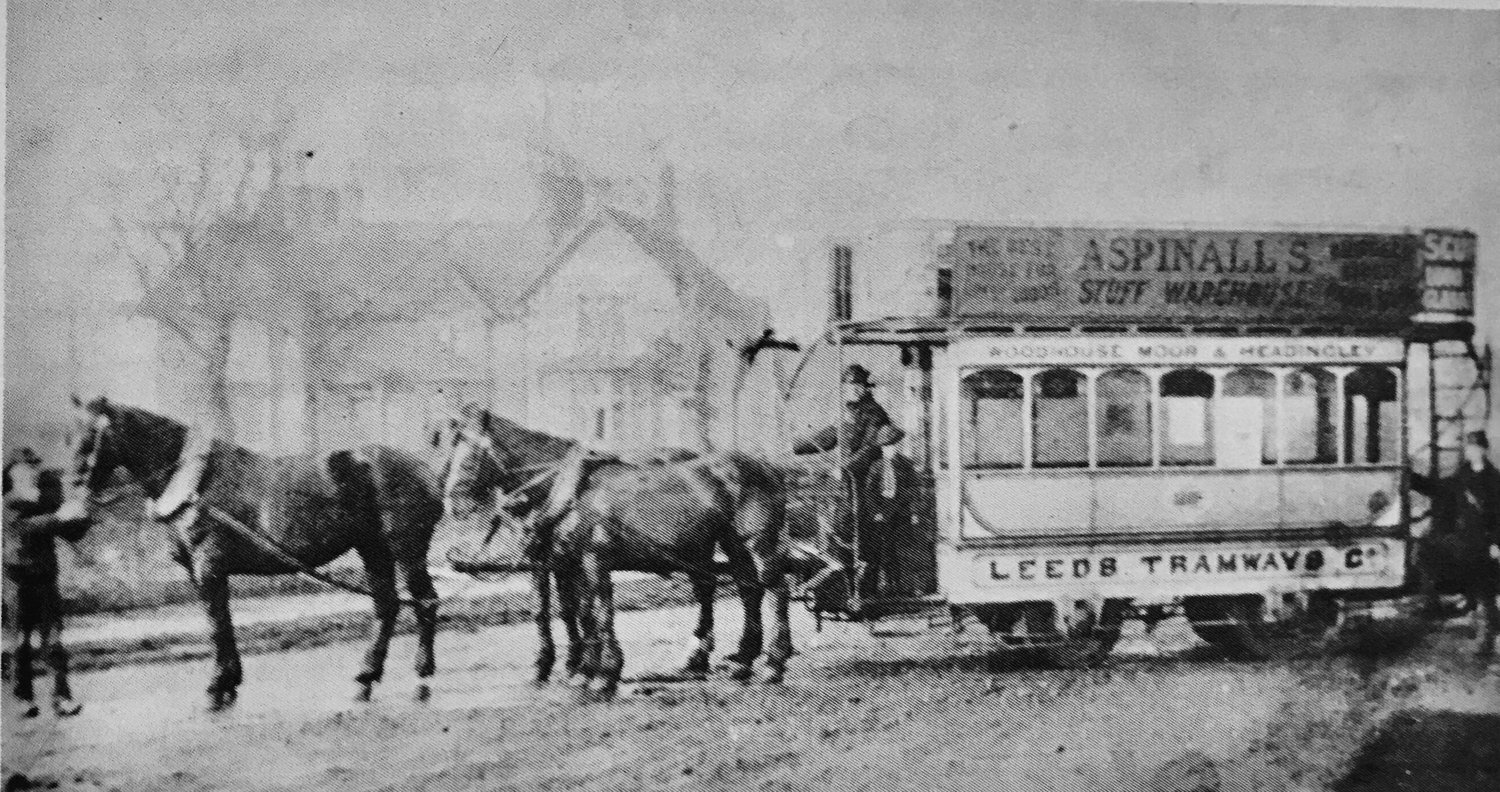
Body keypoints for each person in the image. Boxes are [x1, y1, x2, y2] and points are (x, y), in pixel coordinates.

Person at [793, 364, 907, 600]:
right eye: (849, 386)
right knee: (836, 520)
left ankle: (865, 590)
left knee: (859, 528)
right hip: (846, 477)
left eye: (857, 386)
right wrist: (796, 446)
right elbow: (830, 436)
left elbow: (871, 447)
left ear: (866, 388)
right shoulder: (848, 411)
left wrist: (845, 467)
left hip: (864, 478)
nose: (852, 390)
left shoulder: (873, 413)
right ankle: (838, 584)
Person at [1411, 431, 1500, 626]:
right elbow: (1437, 488)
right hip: (1463, 539)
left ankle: (1489, 624)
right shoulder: (1461, 477)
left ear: (1485, 450)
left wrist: (1496, 543)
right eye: (1469, 448)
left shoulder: (1494, 480)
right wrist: (1411, 477)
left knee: (1485, 587)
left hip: (1483, 542)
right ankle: (1432, 604)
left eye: (1475, 448)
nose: (1471, 452)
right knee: (1423, 550)